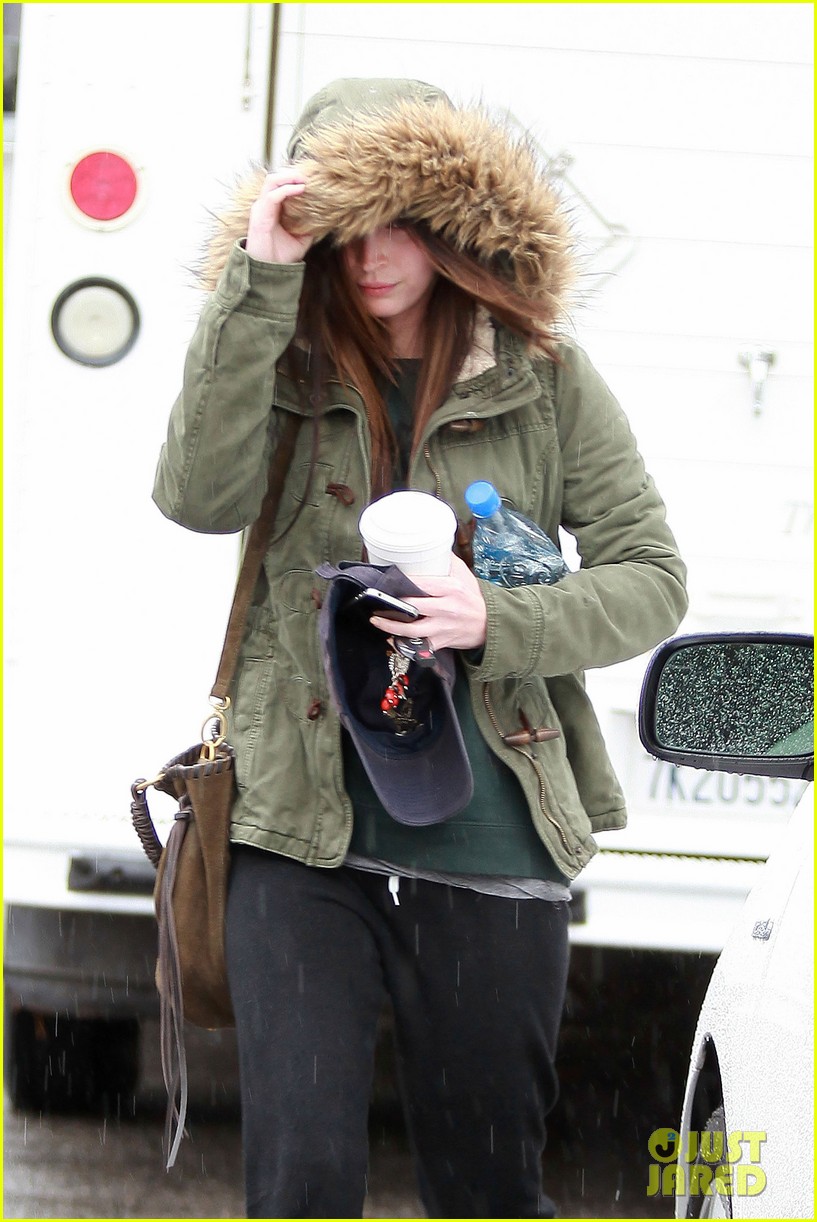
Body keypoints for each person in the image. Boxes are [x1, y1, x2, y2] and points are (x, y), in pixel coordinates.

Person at [154, 77, 688, 1219]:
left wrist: (497, 619)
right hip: (295, 835)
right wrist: (259, 277)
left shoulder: (543, 377)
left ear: (454, 226)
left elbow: (652, 578)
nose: (369, 254)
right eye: (340, 222)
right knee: (302, 1183)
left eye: (398, 220)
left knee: (485, 1184)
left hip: (492, 836)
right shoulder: (274, 359)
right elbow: (196, 498)